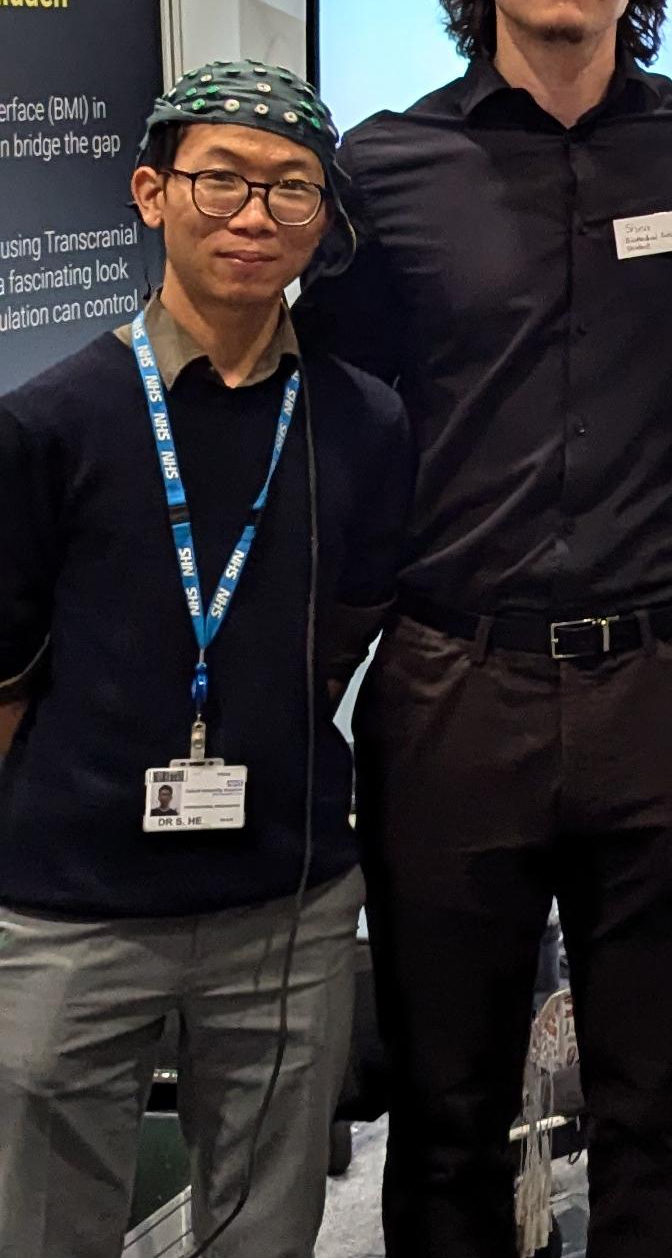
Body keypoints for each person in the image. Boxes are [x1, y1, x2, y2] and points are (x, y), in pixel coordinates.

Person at [295, 0, 672, 1258]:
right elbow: (344, 418)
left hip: (666, 679)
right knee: (447, 1109)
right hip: (455, 684)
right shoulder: (385, 171)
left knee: (657, 1102)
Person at [0, 61, 412, 1258]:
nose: (251, 215)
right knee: (43, 1219)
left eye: (291, 189)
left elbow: (352, 625)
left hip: (281, 894)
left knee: (265, 1223)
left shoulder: (363, 423)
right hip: (72, 909)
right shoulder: (49, 423)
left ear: (325, 225)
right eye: (219, 180)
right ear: (149, 192)